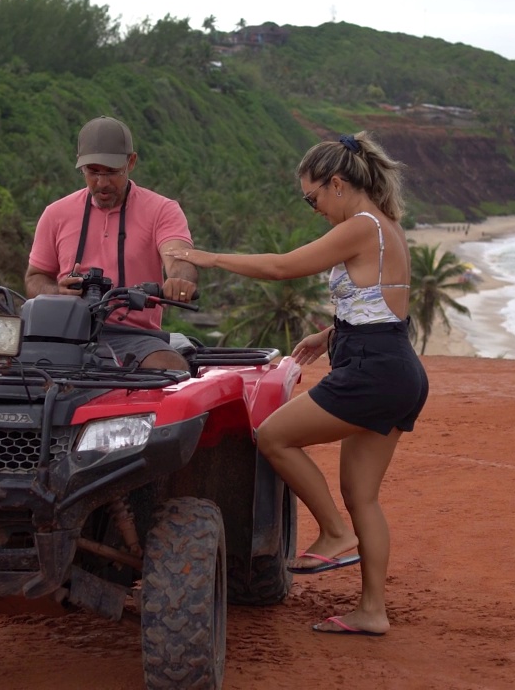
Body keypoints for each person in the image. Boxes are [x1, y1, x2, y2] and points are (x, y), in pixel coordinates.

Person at [164, 132, 429, 637]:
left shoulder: (361, 225)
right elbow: (386, 305)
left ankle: (332, 532)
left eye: (313, 199)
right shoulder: (386, 226)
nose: (314, 209)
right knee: (362, 494)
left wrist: (207, 258)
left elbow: (284, 267)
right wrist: (331, 334)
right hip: (394, 367)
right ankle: (373, 610)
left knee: (272, 435)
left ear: (336, 184)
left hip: (373, 371)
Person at [25, 116, 198, 371]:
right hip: (63, 334)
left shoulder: (162, 210)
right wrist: (59, 293)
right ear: (81, 166)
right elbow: (35, 278)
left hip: (134, 336)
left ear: (131, 162)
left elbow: (179, 258)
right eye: (93, 172)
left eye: (112, 172)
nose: (102, 183)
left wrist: (180, 280)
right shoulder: (56, 213)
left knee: (171, 369)